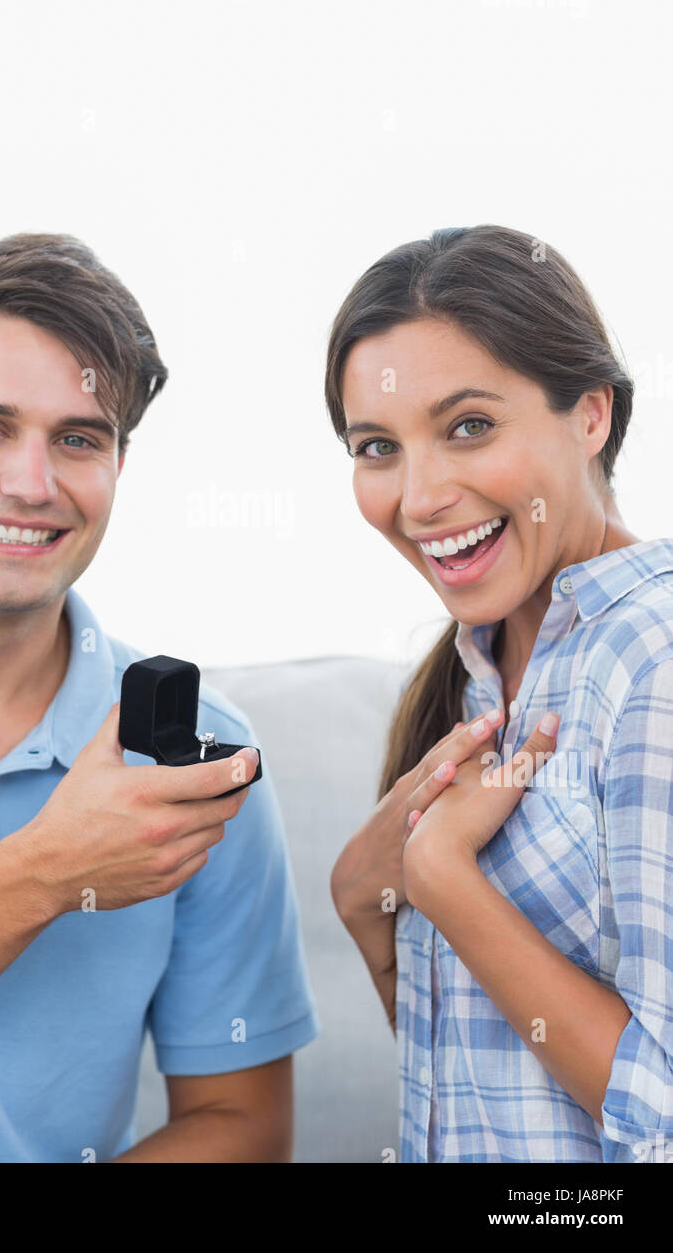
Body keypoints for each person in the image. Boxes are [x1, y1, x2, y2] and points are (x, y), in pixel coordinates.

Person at [0, 231, 317, 1163]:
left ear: (119, 464)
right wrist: (47, 872)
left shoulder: (205, 760)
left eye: (78, 439)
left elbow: (244, 1126)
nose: (31, 483)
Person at [328, 225, 673, 1163]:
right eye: (377, 447)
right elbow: (490, 1088)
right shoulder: (474, 670)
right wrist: (367, 904)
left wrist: (443, 882)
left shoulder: (651, 667)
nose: (422, 495)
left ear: (591, 413)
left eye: (468, 426)